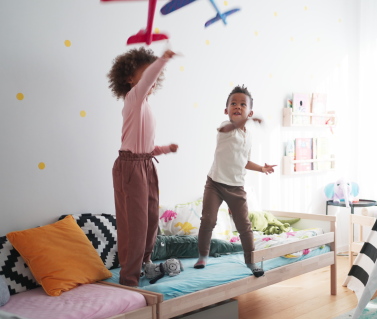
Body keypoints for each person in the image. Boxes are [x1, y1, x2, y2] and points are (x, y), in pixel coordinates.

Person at [107, 47, 179, 287]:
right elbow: (148, 79)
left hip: (146, 164)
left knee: (150, 219)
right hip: (130, 168)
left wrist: (164, 149)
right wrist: (163, 60)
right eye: (147, 72)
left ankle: (145, 265)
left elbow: (143, 145)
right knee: (134, 225)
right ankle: (129, 278)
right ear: (129, 79)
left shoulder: (145, 105)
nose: (152, 76)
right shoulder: (133, 98)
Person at [194, 85, 276, 277]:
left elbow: (244, 161)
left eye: (242, 104)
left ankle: (251, 261)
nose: (237, 107)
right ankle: (202, 256)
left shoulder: (248, 135)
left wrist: (262, 169)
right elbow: (231, 126)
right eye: (233, 104)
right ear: (226, 110)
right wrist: (246, 120)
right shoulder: (225, 127)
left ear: (250, 111)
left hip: (236, 187)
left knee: (244, 226)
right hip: (215, 183)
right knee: (208, 219)